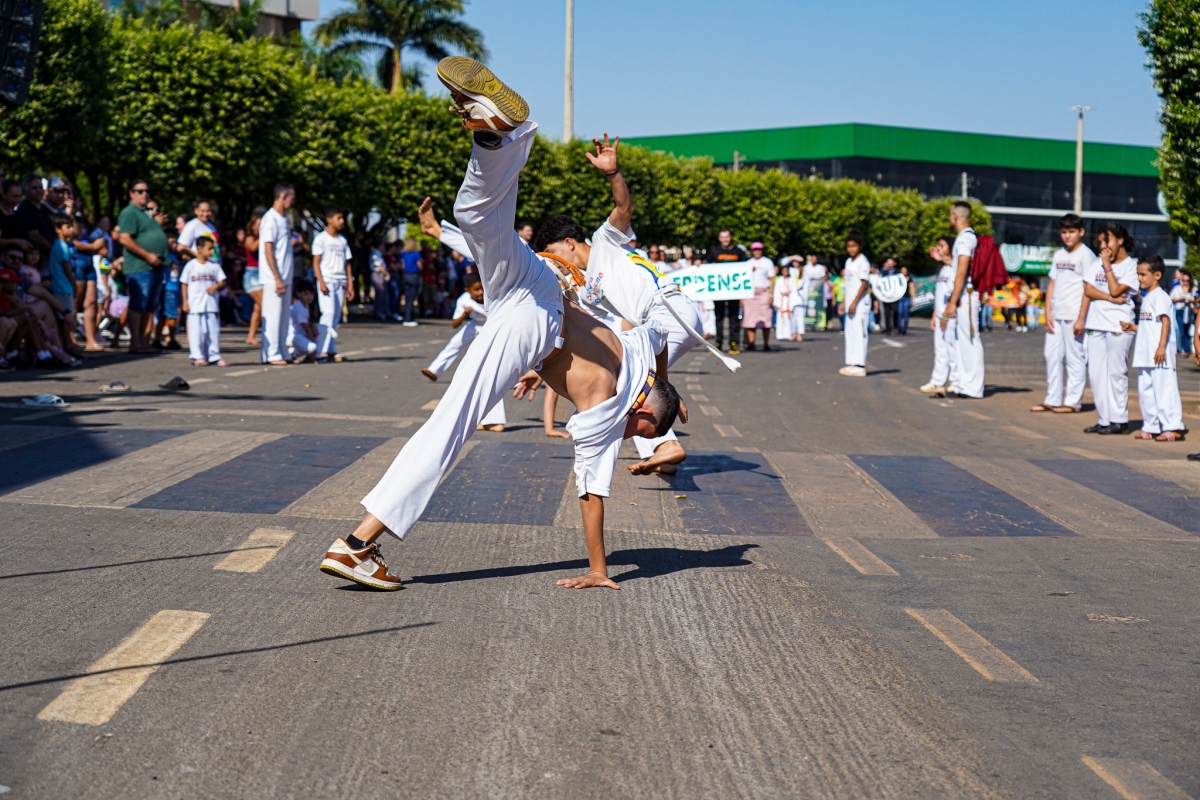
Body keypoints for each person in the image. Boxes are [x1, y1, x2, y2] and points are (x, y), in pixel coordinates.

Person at [319, 57, 683, 591]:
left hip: (539, 288)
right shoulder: (610, 405)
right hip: (536, 320)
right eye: (640, 429)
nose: (629, 434)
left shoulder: (638, 349)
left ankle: (496, 137)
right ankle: (357, 545)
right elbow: (591, 493)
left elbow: (662, 339)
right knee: (452, 422)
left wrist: (666, 389)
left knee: (479, 221)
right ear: (644, 406)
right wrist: (598, 569)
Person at [532, 133, 715, 476]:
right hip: (662, 319)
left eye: (552, 254)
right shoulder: (585, 289)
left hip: (669, 310)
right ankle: (664, 442)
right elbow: (592, 331)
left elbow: (623, 208)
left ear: (569, 242)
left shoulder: (605, 241)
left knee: (626, 380)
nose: (554, 263)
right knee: (628, 375)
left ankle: (666, 444)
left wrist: (613, 174)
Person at [1031, 214, 1092, 413]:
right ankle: (1053, 398)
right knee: (1051, 356)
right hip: (1056, 314)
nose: (1067, 236)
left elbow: (1089, 288)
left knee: (1075, 358)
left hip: (1074, 314)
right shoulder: (1059, 255)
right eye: (1064, 232)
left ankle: (1073, 402)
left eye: (1071, 232)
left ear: (1081, 232)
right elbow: (1052, 283)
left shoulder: (1086, 255)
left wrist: (1082, 318)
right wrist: (1048, 312)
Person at [1082, 221, 1138, 435]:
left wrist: (1106, 266)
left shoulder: (1131, 267)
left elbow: (1116, 290)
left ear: (1120, 239)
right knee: (1096, 374)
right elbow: (1088, 290)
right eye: (1101, 243)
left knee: (1116, 373)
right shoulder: (1098, 262)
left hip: (1118, 325)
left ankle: (1119, 420)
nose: (1104, 247)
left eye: (1108, 241)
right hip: (1095, 323)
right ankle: (1104, 419)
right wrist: (1107, 297)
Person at [1124, 255, 1183, 442]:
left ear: (1157, 275)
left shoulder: (1161, 296)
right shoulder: (1147, 297)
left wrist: (1161, 347)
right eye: (1138, 274)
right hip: (1145, 354)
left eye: (1143, 274)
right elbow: (1150, 325)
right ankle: (1152, 426)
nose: (1139, 278)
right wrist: (1132, 327)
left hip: (1160, 355)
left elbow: (1165, 322)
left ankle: (1172, 427)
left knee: (1164, 390)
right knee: (1146, 391)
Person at [116, 179, 168, 354]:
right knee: (138, 304)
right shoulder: (130, 212)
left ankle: (144, 341)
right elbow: (125, 238)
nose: (144, 194)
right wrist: (147, 255)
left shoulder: (146, 213)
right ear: (131, 194)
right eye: (140, 191)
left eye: (146, 191)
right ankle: (136, 342)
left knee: (149, 306)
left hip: (155, 266)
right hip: (139, 266)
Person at [940, 201, 984, 398]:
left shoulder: (965, 239)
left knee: (970, 339)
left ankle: (973, 387)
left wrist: (952, 301)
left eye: (950, 214)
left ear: (955, 217)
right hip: (963, 294)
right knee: (961, 341)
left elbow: (961, 271)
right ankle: (964, 384)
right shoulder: (965, 238)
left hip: (966, 294)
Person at [259, 183, 296, 365]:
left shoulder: (283, 219)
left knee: (283, 318)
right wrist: (277, 278)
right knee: (273, 317)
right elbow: (268, 250)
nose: (292, 202)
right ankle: (271, 353)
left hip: (285, 277)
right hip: (274, 278)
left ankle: (282, 350)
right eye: (291, 198)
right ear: (283, 196)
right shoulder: (270, 218)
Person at [311, 207, 354, 362]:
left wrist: (350, 283)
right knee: (327, 313)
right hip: (327, 280)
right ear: (329, 220)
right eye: (338, 218)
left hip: (340, 281)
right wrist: (321, 281)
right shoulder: (321, 239)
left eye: (342, 218)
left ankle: (330, 349)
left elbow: (347, 263)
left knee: (335, 315)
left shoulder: (342, 240)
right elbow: (315, 262)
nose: (342, 221)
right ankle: (320, 349)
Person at [180, 234, 228, 367]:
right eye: (209, 249)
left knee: (212, 331)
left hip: (211, 304)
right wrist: (185, 301)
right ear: (200, 248)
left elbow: (222, 280)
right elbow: (184, 283)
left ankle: (214, 356)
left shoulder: (214, 265)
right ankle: (198, 356)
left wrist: (215, 287)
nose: (212, 252)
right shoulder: (191, 265)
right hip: (195, 305)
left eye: (213, 249)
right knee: (197, 332)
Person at [920, 236, 960, 394]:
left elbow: (953, 294)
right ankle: (937, 381)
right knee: (940, 350)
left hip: (950, 315)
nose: (939, 249)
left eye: (942, 246)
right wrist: (935, 314)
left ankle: (956, 381)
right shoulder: (943, 269)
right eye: (938, 246)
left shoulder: (955, 267)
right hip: (941, 315)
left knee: (953, 349)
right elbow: (941, 294)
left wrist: (944, 315)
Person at [709, 229, 747, 353]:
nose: (725, 239)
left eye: (727, 237)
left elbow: (746, 267)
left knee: (734, 317)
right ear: (719, 238)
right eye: (723, 237)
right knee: (719, 317)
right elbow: (706, 265)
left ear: (731, 237)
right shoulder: (714, 251)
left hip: (734, 291)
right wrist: (699, 263)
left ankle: (734, 343)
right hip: (719, 290)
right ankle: (718, 343)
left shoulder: (738, 251)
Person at [838, 231, 870, 377]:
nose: (851, 249)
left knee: (859, 333)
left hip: (860, 304)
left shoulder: (863, 262)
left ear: (859, 246)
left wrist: (854, 303)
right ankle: (851, 362)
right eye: (849, 246)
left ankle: (860, 365)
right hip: (849, 304)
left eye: (854, 246)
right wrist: (844, 302)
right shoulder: (848, 262)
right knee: (850, 333)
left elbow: (864, 283)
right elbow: (848, 284)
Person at [741, 242, 775, 350]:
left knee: (766, 319)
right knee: (750, 319)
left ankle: (766, 344)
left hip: (764, 291)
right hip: (750, 293)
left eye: (759, 249)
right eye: (755, 250)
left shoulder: (768, 262)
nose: (757, 251)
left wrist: (771, 295)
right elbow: (743, 280)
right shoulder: (748, 263)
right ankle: (751, 343)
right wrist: (742, 297)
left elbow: (772, 279)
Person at [288, 281, 326, 362]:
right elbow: (306, 328)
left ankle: (316, 354)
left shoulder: (306, 305)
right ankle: (292, 353)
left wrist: (312, 326)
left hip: (301, 333)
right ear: (298, 294)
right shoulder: (298, 306)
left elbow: (307, 323)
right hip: (293, 335)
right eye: (306, 294)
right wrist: (311, 339)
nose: (309, 297)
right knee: (312, 347)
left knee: (323, 329)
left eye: (311, 294)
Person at [242, 214, 263, 344]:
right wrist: (263, 235)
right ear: (253, 226)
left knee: (258, 308)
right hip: (252, 274)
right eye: (259, 224)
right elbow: (252, 247)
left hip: (262, 273)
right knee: (265, 305)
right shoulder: (250, 238)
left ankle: (251, 336)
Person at [773, 260, 801, 341]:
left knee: (788, 319)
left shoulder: (791, 280)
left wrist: (794, 303)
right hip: (781, 301)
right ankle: (780, 335)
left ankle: (788, 334)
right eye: (784, 271)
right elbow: (776, 292)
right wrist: (776, 303)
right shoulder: (779, 280)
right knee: (780, 318)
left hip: (789, 301)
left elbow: (794, 292)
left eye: (786, 271)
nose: (785, 272)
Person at [398, 238, 422, 326]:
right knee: (411, 298)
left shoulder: (403, 253)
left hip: (405, 276)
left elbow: (402, 264)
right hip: (413, 276)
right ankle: (408, 319)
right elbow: (420, 265)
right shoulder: (416, 253)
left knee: (407, 298)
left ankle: (407, 316)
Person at [1170, 272, 1194, 354]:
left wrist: (1192, 300)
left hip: (1190, 310)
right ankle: (1184, 350)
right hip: (1180, 310)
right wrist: (1179, 300)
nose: (1185, 282)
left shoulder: (1193, 289)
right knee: (1181, 330)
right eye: (1184, 280)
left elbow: (1196, 298)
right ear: (1181, 281)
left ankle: (1188, 350)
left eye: (1187, 280)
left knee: (1188, 330)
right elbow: (1171, 298)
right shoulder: (1177, 289)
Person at [878, 257, 900, 334]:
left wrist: (900, 294)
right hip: (886, 296)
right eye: (888, 263)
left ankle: (895, 326)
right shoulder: (884, 272)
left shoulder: (898, 273)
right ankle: (888, 329)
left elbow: (901, 284)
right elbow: (880, 283)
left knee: (895, 311)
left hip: (895, 296)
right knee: (886, 313)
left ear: (894, 263)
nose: (890, 265)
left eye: (891, 263)